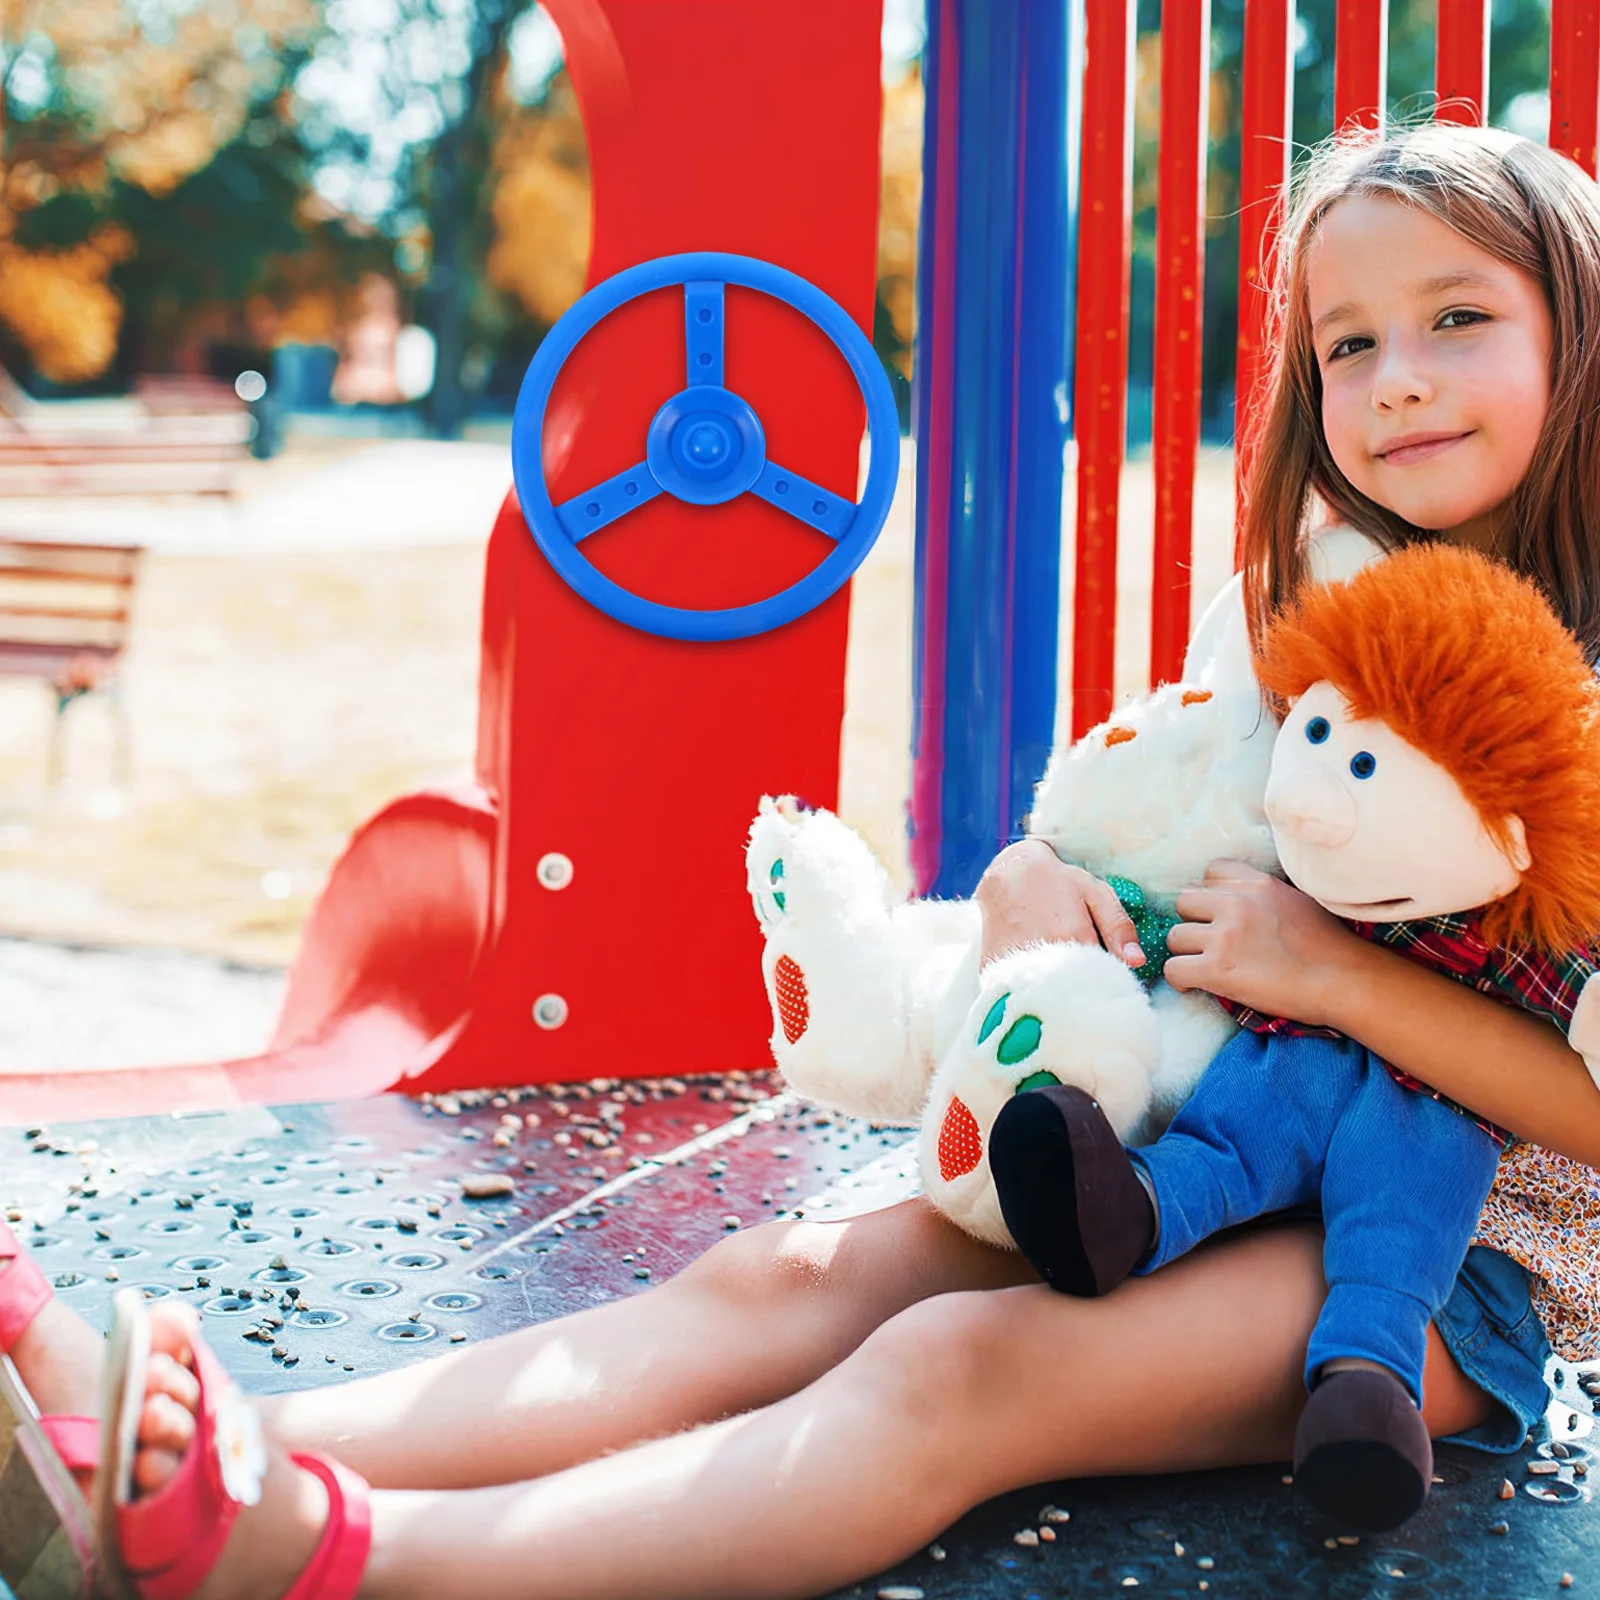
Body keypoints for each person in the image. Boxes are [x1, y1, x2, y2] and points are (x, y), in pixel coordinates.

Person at [10, 118, 1600, 1600]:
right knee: (781, 1278)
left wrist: (1329, 979)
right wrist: (1025, 883)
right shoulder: (1315, 624)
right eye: (1348, 342)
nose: (1396, 379)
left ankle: (330, 1554)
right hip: (1197, 1155)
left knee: (955, 1376)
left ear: (1580, 338)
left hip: (1444, 1265)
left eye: (1458, 319)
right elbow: (1150, 837)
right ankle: (214, 1448)